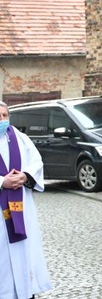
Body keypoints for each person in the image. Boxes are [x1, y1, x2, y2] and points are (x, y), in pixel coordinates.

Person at [0, 101, 53, 299]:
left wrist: (25, 176)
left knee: (24, 253)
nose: (3, 120)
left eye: (5, 116)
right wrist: (2, 182)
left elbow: (36, 161)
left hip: (22, 207)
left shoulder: (20, 138)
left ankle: (25, 292)